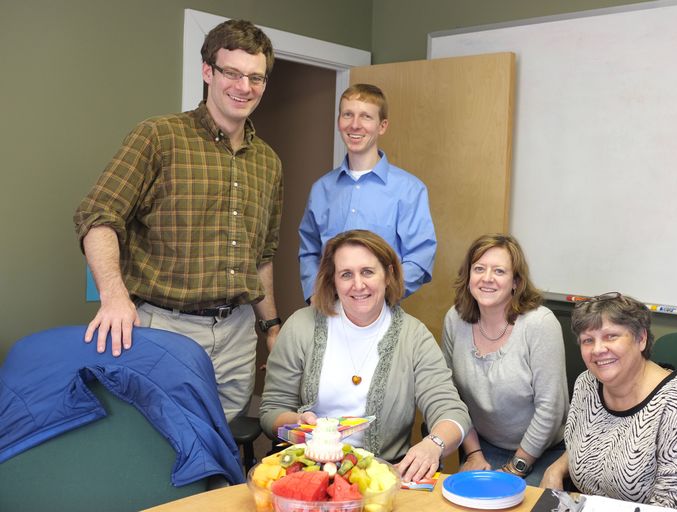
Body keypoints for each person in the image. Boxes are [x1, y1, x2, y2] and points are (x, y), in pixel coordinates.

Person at [73, 19, 283, 421]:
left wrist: (271, 326)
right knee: (159, 437)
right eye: (232, 73)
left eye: (256, 77)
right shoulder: (158, 137)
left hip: (238, 333)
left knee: (218, 438)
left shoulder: (269, 162)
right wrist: (114, 296)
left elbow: (263, 256)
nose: (244, 87)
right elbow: (98, 214)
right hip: (165, 326)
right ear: (208, 72)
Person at [260, 229, 470, 482]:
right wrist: (299, 425)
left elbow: (452, 410)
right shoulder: (301, 326)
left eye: (368, 272)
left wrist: (433, 444)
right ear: (333, 280)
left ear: (388, 275)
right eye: (346, 274)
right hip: (306, 471)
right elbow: (272, 409)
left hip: (381, 476)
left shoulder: (414, 337)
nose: (358, 285)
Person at [541, 293, 677, 511]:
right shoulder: (587, 384)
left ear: (641, 339)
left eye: (611, 336)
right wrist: (557, 469)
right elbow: (583, 441)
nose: (598, 349)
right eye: (588, 340)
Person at [441, 234, 568, 485]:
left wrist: (516, 467)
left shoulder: (540, 324)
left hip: (544, 452)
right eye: (479, 269)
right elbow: (448, 395)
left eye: (499, 271)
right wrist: (473, 453)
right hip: (483, 447)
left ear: (516, 282)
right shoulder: (455, 320)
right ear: (468, 277)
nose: (487, 278)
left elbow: (550, 409)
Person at [298, 84, 436, 302]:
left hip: (383, 311)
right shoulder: (321, 189)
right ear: (338, 122)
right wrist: (315, 295)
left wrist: (378, 297)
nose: (355, 125)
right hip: (328, 312)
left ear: (382, 126)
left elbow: (420, 257)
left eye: (365, 117)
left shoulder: (409, 190)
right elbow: (310, 252)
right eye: (348, 115)